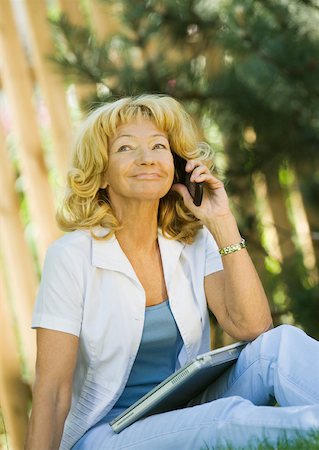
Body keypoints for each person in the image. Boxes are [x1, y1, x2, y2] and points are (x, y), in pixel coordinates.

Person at [25, 94, 319, 450]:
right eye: (126, 148)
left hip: (186, 412)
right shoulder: (71, 257)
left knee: (279, 346)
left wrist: (221, 221)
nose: (146, 158)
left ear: (176, 166)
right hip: (106, 436)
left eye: (158, 146)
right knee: (226, 420)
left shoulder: (193, 238)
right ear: (100, 174)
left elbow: (253, 327)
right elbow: (52, 392)